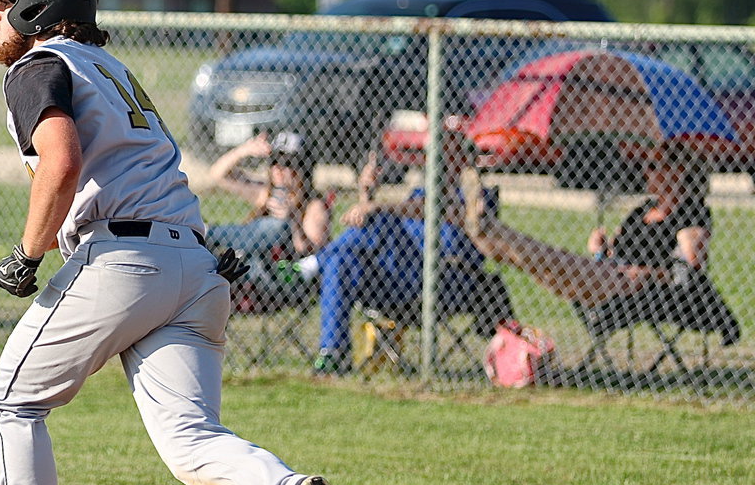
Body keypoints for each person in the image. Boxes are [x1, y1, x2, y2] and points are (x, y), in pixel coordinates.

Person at [0, 0, 346, 485]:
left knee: (11, 402)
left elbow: (62, 161)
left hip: (122, 262)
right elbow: (149, 168)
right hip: (193, 265)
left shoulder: (38, 65)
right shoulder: (111, 69)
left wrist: (26, 256)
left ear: (36, 8)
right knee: (191, 440)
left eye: (1, 7)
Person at [463, 141, 716, 310]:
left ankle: (490, 232)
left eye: (654, 166)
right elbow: (614, 250)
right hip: (610, 275)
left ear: (678, 171)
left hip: (638, 290)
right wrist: (600, 248)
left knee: (552, 262)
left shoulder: (690, 213)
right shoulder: (643, 209)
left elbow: (689, 271)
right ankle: (490, 236)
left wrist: (646, 274)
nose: (646, 171)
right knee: (550, 266)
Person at [311, 138, 490, 376]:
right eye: (436, 154)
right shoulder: (417, 193)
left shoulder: (475, 197)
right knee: (341, 261)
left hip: (442, 284)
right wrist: (367, 194)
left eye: (449, 154)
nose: (439, 161)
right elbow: (375, 231)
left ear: (463, 161)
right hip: (396, 282)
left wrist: (377, 207)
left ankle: (312, 263)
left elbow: (435, 209)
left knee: (380, 218)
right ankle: (332, 354)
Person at [205, 129, 331, 308]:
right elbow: (218, 174)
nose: (279, 169)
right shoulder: (265, 193)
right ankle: (208, 244)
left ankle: (209, 234)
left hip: (284, 280)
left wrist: (293, 219)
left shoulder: (314, 205)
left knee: (277, 228)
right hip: (250, 273)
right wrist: (244, 150)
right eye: (275, 161)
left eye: (288, 163)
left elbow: (310, 253)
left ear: (304, 168)